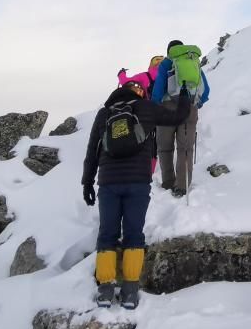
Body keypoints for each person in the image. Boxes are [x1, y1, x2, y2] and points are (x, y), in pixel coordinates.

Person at [82, 80, 187, 309]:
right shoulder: (146, 108)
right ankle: (130, 289)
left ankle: (106, 288)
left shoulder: (104, 113)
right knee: (133, 234)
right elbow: (176, 118)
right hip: (138, 182)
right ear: (137, 93)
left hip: (108, 182)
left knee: (107, 234)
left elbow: (93, 150)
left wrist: (87, 182)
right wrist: (186, 96)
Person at [151, 40, 211, 197]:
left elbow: (158, 88)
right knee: (185, 148)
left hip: (166, 108)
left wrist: (155, 106)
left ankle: (168, 183)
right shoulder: (193, 61)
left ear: (169, 50)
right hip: (189, 108)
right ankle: (182, 187)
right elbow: (206, 90)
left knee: (165, 148)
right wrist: (196, 104)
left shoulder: (167, 63)